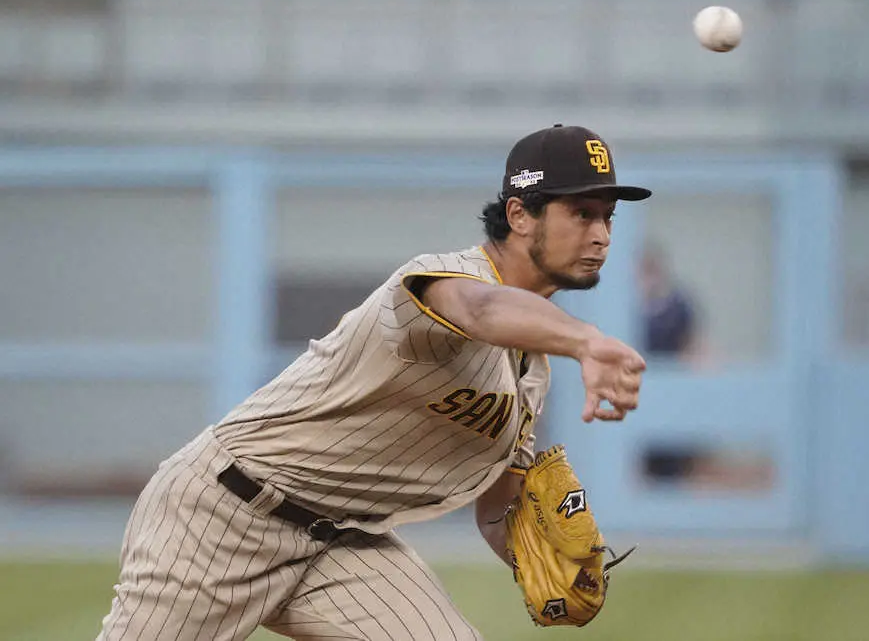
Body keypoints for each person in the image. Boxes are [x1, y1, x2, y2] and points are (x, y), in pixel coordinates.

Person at [97, 124, 651, 641]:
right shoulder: (443, 280)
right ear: (520, 214)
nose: (601, 234)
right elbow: (479, 309)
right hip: (224, 512)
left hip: (339, 541)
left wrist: (546, 556)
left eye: (607, 217)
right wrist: (586, 341)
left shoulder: (529, 375)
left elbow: (497, 506)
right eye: (581, 213)